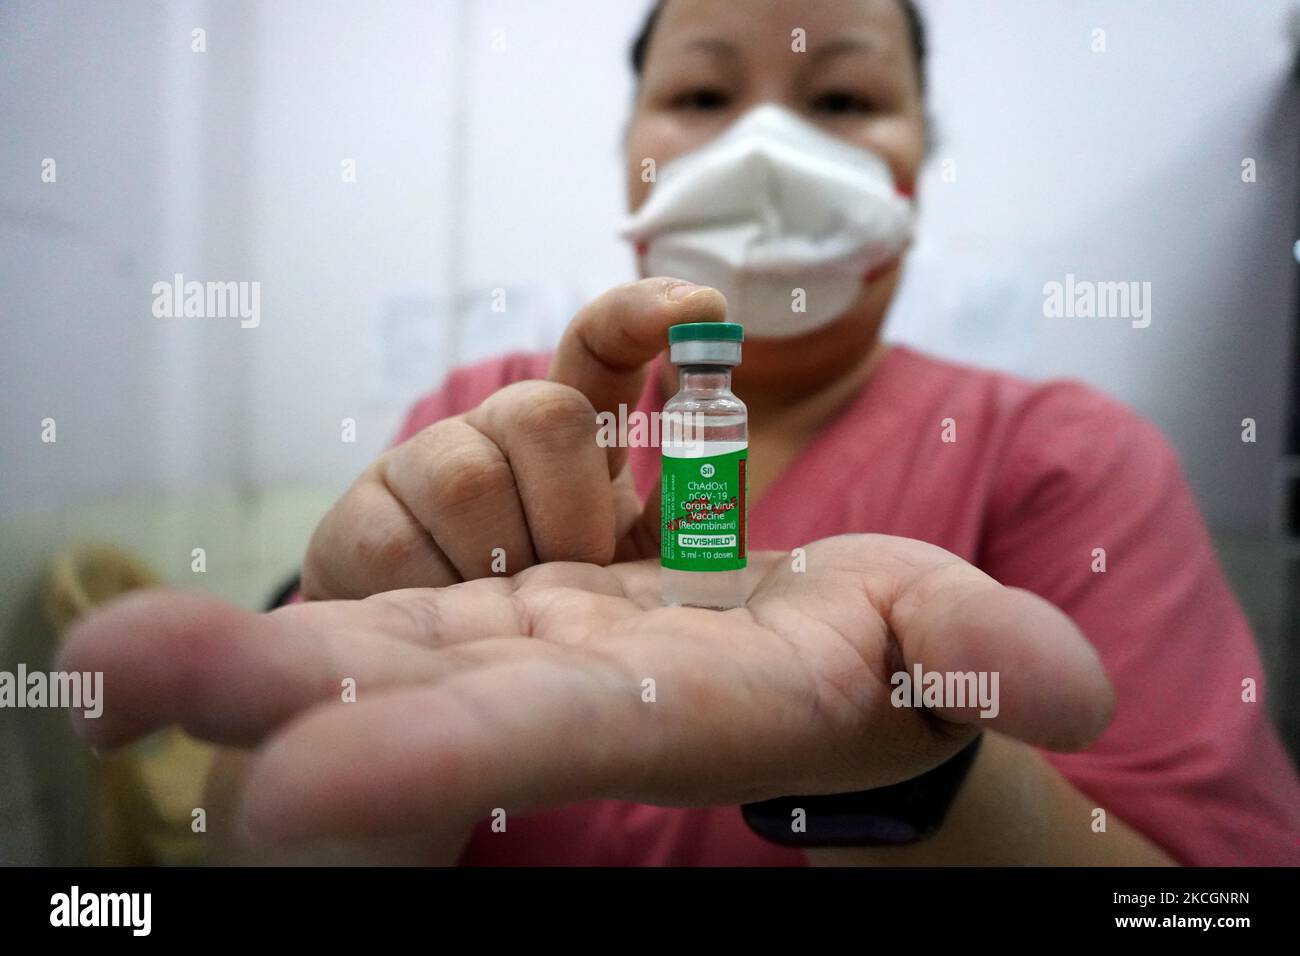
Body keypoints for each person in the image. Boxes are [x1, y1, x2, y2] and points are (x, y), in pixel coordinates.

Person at [62, 0, 1300, 866]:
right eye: (702, 93)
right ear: (630, 171)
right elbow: (264, 848)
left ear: (917, 176)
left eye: (847, 97)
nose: (766, 150)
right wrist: (347, 745)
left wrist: (907, 776)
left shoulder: (1069, 457)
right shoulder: (484, 423)